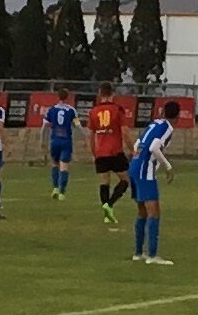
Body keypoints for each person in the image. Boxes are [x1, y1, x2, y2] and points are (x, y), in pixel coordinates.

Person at [129, 101, 182, 265]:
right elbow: (154, 147)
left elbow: (137, 144)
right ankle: (152, 255)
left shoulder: (154, 124)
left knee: (142, 211)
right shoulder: (167, 128)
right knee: (154, 212)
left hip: (134, 165)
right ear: (177, 116)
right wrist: (168, 166)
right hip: (145, 170)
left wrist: (138, 159)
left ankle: (138, 253)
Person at [87, 82, 132, 224]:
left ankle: (106, 214)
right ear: (112, 94)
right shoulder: (118, 110)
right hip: (115, 151)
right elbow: (124, 132)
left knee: (104, 182)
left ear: (100, 94)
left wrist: (94, 153)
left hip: (101, 152)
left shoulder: (93, 112)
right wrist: (132, 149)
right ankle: (110, 204)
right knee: (125, 180)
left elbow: (90, 135)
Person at [42, 87, 78, 200]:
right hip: (66, 140)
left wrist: (42, 140)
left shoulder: (51, 110)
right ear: (67, 97)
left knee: (54, 164)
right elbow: (78, 125)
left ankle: (55, 188)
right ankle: (62, 193)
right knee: (64, 166)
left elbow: (44, 127)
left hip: (55, 140)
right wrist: (86, 135)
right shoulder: (71, 110)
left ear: (58, 96)